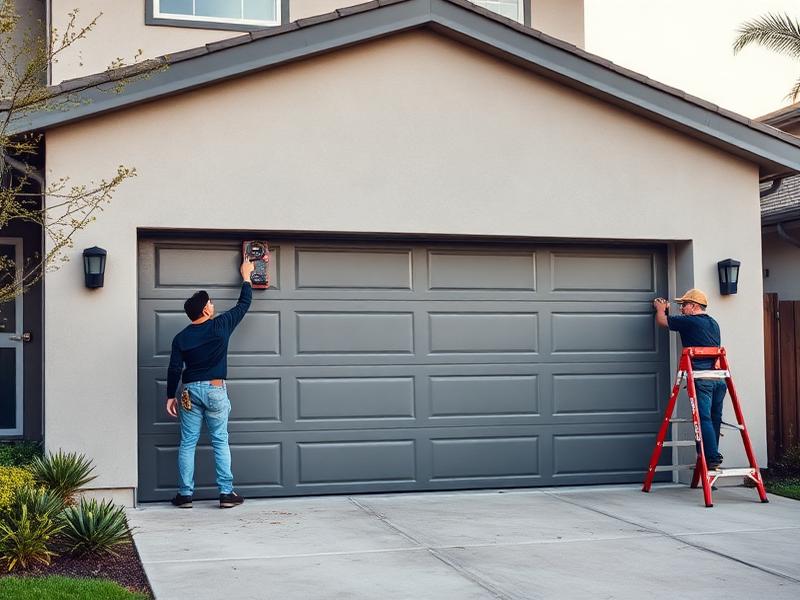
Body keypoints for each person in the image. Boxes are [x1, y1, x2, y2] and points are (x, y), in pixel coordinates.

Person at [166, 256, 255, 508]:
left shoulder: (180, 338)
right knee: (220, 441)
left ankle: (184, 495)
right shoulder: (220, 326)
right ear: (205, 309)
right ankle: (226, 493)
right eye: (211, 303)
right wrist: (246, 275)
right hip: (215, 390)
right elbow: (243, 303)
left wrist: (170, 396)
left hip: (189, 392)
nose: (213, 305)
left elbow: (174, 368)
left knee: (187, 443)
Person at [653, 288, 725, 470]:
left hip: (702, 379)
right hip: (718, 379)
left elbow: (662, 321)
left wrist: (660, 308)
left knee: (704, 419)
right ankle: (711, 457)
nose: (682, 308)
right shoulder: (713, 323)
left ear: (694, 307)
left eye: (684, 305)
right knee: (715, 418)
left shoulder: (690, 322)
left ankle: (710, 457)